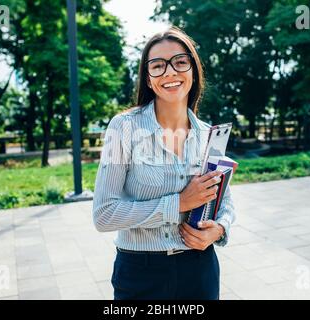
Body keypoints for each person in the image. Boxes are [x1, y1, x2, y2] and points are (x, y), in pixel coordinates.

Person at [92, 26, 236, 300]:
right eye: (158, 66)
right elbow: (104, 214)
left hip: (201, 270)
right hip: (141, 274)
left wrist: (219, 229)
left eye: (180, 62)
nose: (170, 72)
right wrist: (178, 204)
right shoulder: (122, 128)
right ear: (148, 79)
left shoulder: (209, 135)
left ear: (193, 71)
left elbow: (224, 201)